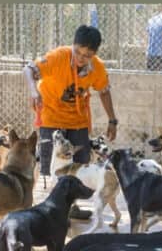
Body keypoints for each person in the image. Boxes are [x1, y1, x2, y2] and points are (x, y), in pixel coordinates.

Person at [22, 25, 117, 219]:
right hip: (52, 115)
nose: (81, 58)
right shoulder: (58, 56)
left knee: (80, 164)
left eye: (87, 55)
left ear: (95, 54)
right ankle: (50, 208)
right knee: (53, 166)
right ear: (72, 46)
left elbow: (104, 91)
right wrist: (34, 91)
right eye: (78, 52)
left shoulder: (97, 67)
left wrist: (112, 120)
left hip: (78, 119)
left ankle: (69, 207)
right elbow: (28, 69)